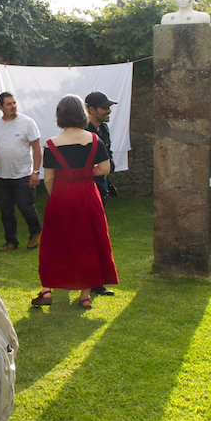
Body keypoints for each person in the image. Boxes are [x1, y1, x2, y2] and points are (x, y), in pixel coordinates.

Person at [34, 95, 118, 309]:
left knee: (53, 244)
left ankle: (47, 290)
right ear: (82, 114)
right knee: (87, 243)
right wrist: (86, 172)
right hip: (88, 196)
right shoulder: (94, 139)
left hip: (61, 197)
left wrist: (57, 196)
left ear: (60, 116)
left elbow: (50, 178)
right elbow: (106, 168)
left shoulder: (52, 144)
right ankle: (85, 296)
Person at [0, 92, 43, 251]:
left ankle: (35, 232)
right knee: (5, 211)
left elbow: (37, 148)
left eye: (14, 103)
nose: (13, 106)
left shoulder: (27, 123)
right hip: (2, 176)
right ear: (1, 107)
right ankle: (11, 241)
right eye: (9, 104)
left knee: (26, 207)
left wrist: (36, 172)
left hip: (23, 175)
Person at [85, 91, 118, 297]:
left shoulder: (103, 129)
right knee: (87, 236)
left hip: (100, 188)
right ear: (91, 110)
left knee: (97, 235)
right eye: (104, 107)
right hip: (85, 189)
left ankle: (94, 281)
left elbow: (107, 156)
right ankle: (88, 281)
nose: (109, 111)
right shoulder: (81, 132)